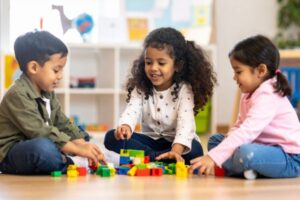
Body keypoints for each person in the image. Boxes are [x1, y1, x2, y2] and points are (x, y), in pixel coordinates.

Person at [189, 35, 300, 179]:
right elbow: (239, 125)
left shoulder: (269, 95)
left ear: (261, 70)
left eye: (238, 72)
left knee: (246, 153)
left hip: (289, 158)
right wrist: (224, 144)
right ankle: (247, 169)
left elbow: (247, 131)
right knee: (215, 140)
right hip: (262, 148)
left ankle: (242, 167)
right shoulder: (248, 93)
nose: (234, 77)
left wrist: (213, 158)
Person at [104, 27, 216, 164]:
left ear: (177, 65)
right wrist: (125, 126)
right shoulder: (141, 86)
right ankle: (158, 158)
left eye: (161, 63)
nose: (153, 68)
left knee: (195, 150)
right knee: (111, 137)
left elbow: (186, 125)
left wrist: (176, 151)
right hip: (149, 142)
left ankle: (150, 158)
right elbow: (131, 110)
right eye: (148, 62)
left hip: (176, 144)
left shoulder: (184, 89)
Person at [0, 31, 106, 175]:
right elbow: (39, 131)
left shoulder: (47, 91)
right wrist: (76, 149)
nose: (60, 76)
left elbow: (61, 122)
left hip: (42, 141)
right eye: (56, 70)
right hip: (12, 155)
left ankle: (91, 155)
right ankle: (72, 162)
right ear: (34, 68)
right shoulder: (17, 94)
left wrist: (82, 143)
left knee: (81, 135)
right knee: (43, 149)